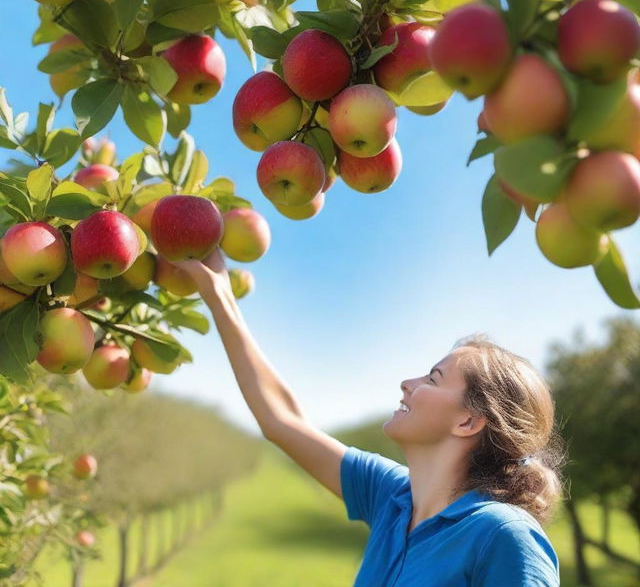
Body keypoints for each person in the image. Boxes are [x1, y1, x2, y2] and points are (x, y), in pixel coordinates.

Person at [173, 248, 566, 586]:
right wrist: (219, 296)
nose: (406, 383)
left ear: (468, 422)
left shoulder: (503, 536)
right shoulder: (393, 498)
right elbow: (282, 420)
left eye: (433, 378)